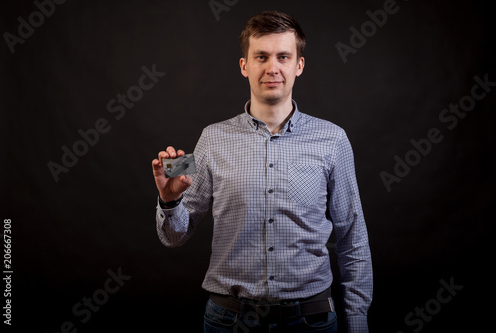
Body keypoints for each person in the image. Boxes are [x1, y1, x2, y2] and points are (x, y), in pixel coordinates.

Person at [152, 11, 373, 333]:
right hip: (228, 321)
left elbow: (353, 239)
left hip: (311, 321)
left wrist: (357, 323)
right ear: (245, 66)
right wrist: (169, 201)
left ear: (299, 65)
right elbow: (174, 237)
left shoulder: (333, 139)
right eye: (261, 57)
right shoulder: (211, 138)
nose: (273, 68)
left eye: (283, 56)